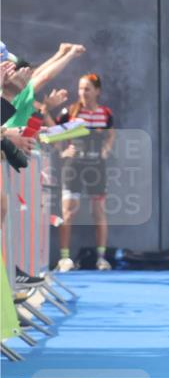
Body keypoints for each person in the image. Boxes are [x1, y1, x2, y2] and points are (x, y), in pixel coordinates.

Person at [55, 73, 115, 272]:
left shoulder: (105, 113)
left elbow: (111, 134)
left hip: (96, 166)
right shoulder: (70, 112)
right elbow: (53, 132)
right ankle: (64, 259)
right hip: (74, 167)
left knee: (98, 212)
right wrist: (63, 151)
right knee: (68, 212)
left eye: (87, 89)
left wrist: (106, 149)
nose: (83, 92)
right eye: (80, 88)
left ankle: (101, 258)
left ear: (97, 91)